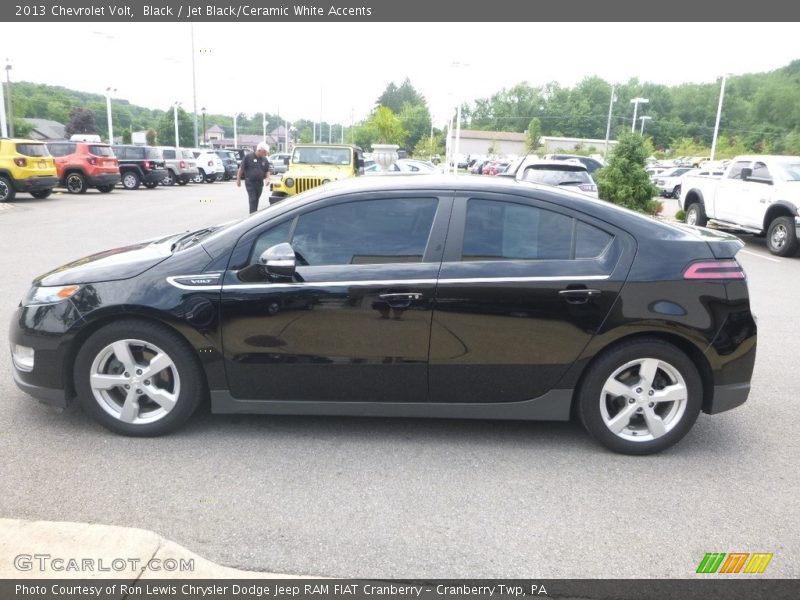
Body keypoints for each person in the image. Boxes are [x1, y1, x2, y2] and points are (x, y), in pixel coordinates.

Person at [236, 142, 271, 214]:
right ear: (259, 150)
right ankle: (252, 216)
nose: (265, 154)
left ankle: (254, 214)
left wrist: (268, 178)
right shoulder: (248, 157)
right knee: (252, 199)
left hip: (259, 183)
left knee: (256, 199)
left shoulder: (264, 159)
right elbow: (241, 169)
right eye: (264, 152)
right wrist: (238, 180)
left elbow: (267, 170)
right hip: (250, 183)